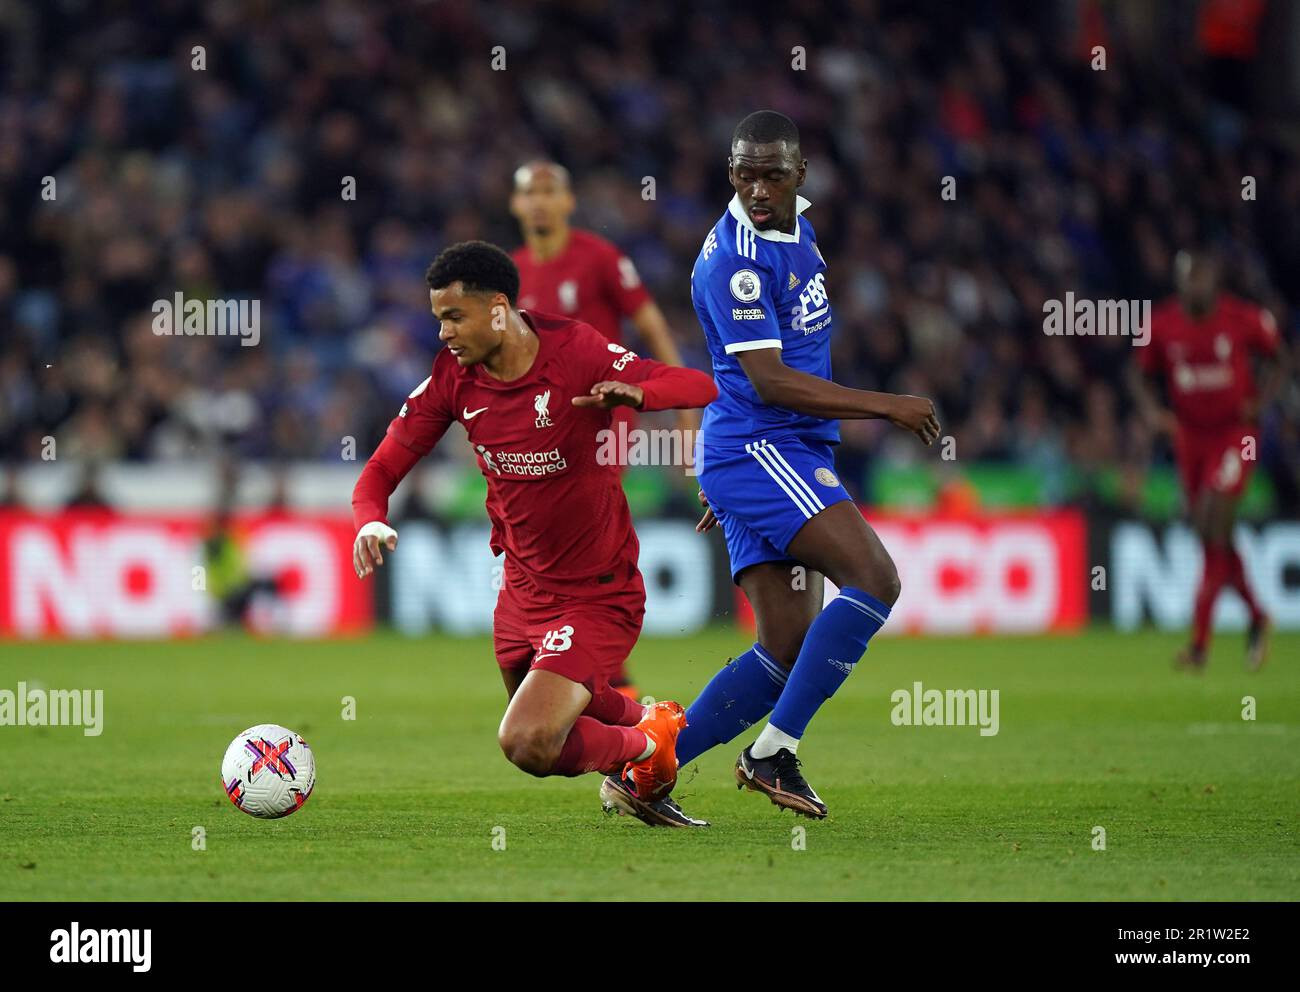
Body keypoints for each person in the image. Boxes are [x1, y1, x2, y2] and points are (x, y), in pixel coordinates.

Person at [615, 111, 938, 822]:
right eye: (743, 173)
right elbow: (770, 380)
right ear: (730, 173)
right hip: (767, 443)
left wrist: (735, 487)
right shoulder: (735, 257)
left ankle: (643, 771)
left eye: (771, 173)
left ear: (800, 175)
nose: (756, 188)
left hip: (759, 456)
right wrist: (887, 406)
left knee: (786, 647)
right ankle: (771, 753)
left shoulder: (796, 228)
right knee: (876, 578)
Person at [352, 240, 717, 826]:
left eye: (453, 316)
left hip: (597, 593)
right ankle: (650, 730)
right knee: (555, 725)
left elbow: (697, 385)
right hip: (520, 593)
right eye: (438, 319)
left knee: (528, 742)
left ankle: (650, 744)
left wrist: (639, 394)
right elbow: (380, 469)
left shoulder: (577, 350)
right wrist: (369, 517)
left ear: (498, 308)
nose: (443, 333)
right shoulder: (453, 378)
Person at [510, 159, 694, 696]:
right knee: (545, 540)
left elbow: (652, 326)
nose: (540, 201)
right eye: (530, 192)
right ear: (516, 206)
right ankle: (583, 663)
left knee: (586, 529)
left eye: (549, 191)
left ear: (568, 202)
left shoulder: (600, 258)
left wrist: (683, 408)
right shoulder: (514, 273)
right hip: (536, 430)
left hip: (599, 417)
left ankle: (606, 672)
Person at [1130, 248, 1287, 670]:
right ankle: (1256, 616)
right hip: (1190, 438)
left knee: (1212, 515)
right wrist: (1149, 410)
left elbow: (1280, 358)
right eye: (1188, 278)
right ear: (1179, 282)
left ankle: (1199, 646)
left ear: (1214, 281)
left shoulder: (1242, 318)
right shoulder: (1161, 325)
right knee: (1210, 534)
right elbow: (1138, 372)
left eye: (1202, 277)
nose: (1195, 286)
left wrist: (1264, 401)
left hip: (1237, 434)